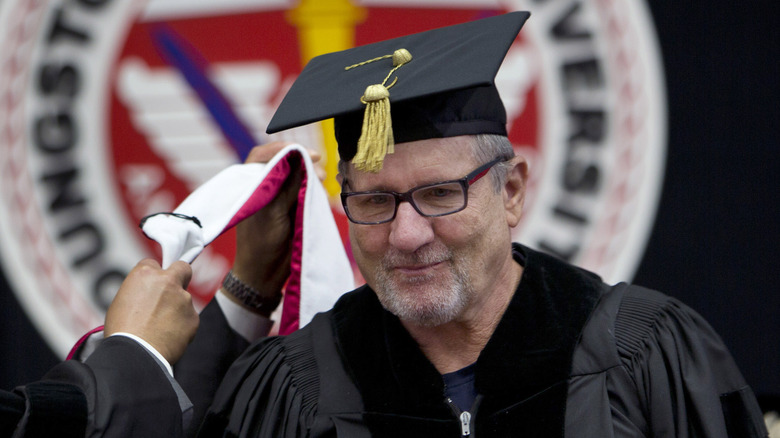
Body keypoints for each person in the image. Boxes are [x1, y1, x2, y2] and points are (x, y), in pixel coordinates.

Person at [4, 11, 768, 438]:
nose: (406, 235)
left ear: (513, 191)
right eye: (374, 200)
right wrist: (244, 287)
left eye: (440, 194)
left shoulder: (646, 351)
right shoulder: (296, 386)